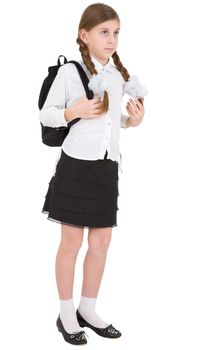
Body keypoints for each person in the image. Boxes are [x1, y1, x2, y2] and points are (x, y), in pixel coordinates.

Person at [39, 2, 147, 346]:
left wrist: (134, 121)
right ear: (84, 35)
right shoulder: (69, 72)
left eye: (116, 32)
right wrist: (75, 110)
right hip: (76, 166)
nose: (111, 39)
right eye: (104, 32)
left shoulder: (116, 75)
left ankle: (88, 308)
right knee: (71, 242)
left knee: (102, 241)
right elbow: (47, 116)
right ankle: (66, 312)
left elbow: (112, 123)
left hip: (107, 166)